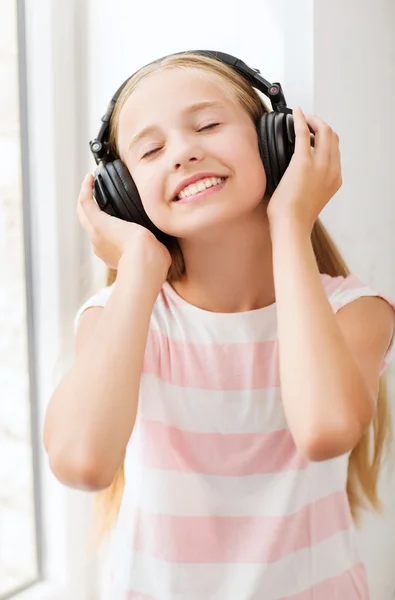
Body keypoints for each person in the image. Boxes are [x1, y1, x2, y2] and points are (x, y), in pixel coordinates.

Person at [44, 51, 395, 599]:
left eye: (207, 125)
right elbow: (82, 463)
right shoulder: (122, 317)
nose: (184, 152)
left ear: (276, 141)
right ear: (125, 198)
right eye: (152, 150)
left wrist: (290, 223)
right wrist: (138, 265)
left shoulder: (355, 310)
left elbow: (325, 429)